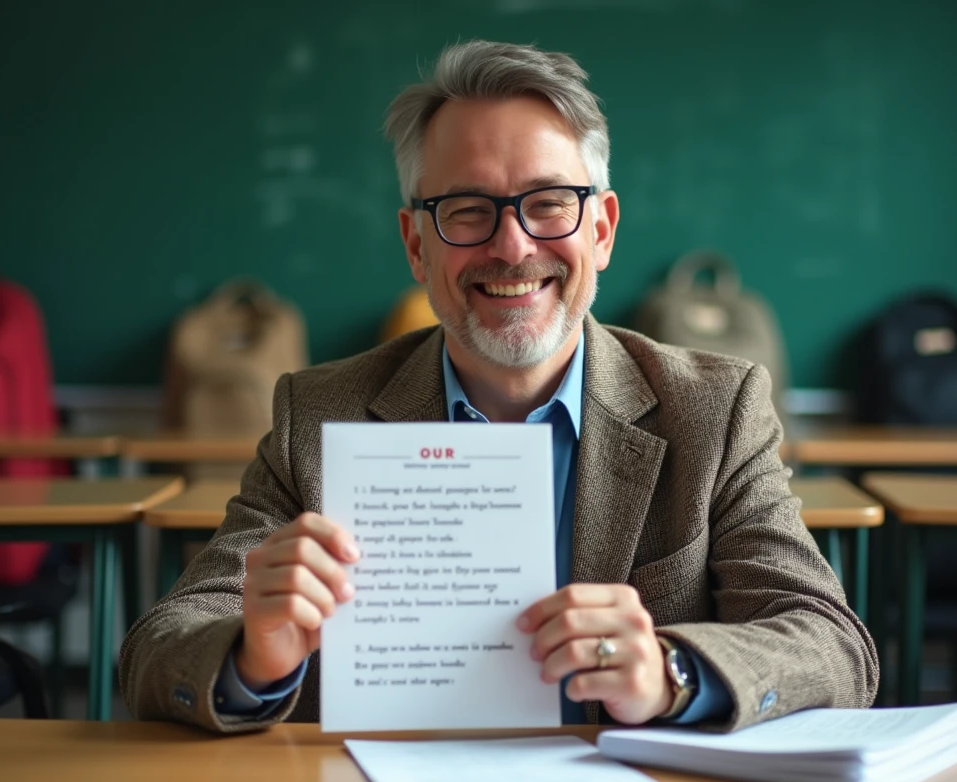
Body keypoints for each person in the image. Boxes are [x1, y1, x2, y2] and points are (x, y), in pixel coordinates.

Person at [119, 40, 878, 734]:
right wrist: (253, 657)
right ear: (416, 245)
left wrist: (671, 673)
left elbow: (831, 644)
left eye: (548, 203)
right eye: (467, 210)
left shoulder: (714, 410)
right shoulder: (318, 417)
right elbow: (159, 647)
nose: (512, 246)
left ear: (601, 230)